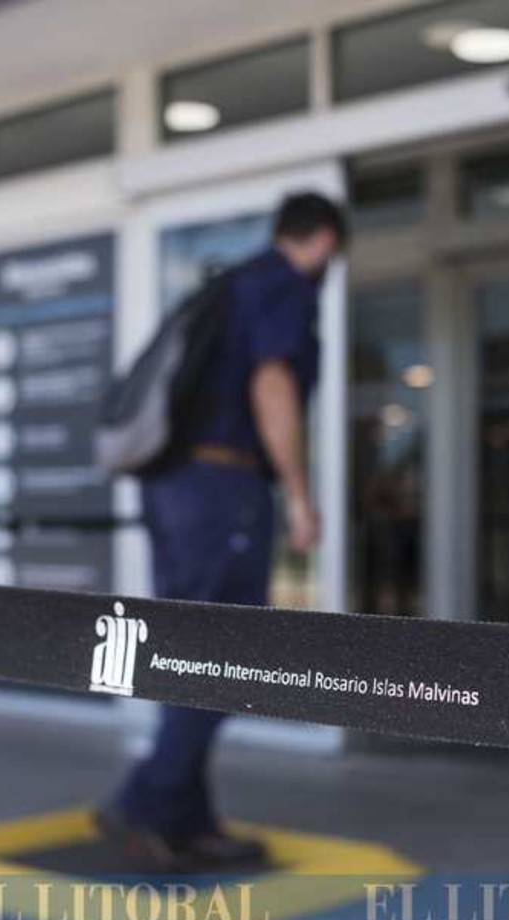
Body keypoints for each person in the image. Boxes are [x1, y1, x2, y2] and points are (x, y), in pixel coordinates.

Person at [98, 192, 346, 872]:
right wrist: (299, 494)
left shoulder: (232, 284)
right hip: (222, 488)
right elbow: (272, 387)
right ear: (323, 240)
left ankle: (188, 820)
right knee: (224, 655)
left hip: (177, 489)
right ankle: (144, 801)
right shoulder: (282, 288)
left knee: (194, 649)